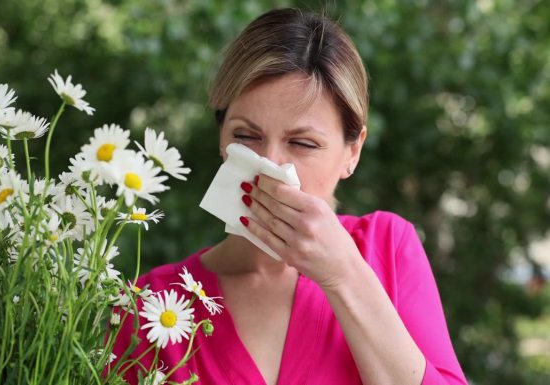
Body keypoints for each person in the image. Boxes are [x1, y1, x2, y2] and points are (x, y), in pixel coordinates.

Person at [112, 8, 468, 385]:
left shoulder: (387, 248)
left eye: (302, 143)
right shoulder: (153, 300)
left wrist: (343, 275)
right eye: (246, 136)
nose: (270, 164)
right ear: (221, 138)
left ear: (352, 152)